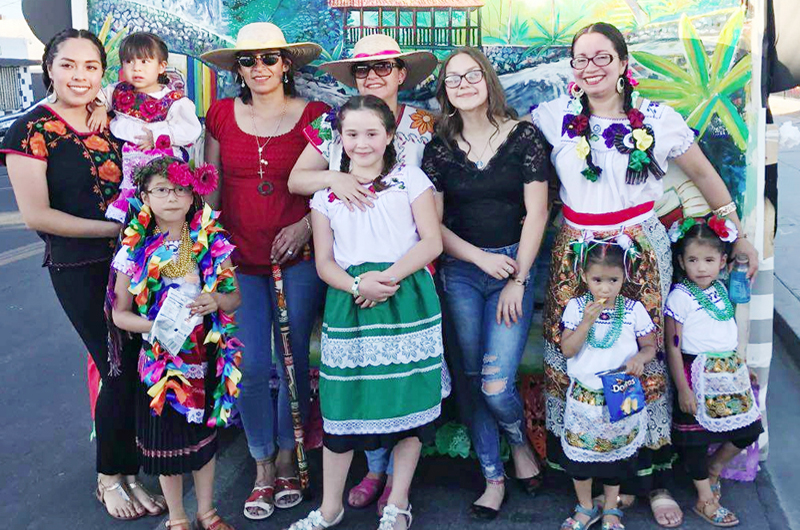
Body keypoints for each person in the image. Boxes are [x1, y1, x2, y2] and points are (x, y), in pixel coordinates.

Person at [531, 22, 759, 527]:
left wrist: (736, 233)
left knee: (642, 353)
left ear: (622, 62)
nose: (590, 68)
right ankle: (595, 471)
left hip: (638, 249)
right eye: (581, 59)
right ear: (572, 67)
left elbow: (703, 174)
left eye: (602, 58)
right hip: (576, 252)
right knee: (584, 351)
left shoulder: (657, 119)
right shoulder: (553, 117)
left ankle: (648, 478)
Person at [0, 28, 165, 520]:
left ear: (103, 72)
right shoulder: (29, 129)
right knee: (115, 362)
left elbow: (166, 94)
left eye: (91, 66)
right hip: (82, 265)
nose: (80, 76)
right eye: (68, 65)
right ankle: (109, 476)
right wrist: (114, 231)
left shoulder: (117, 118)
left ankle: (130, 469)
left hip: (137, 261)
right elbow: (37, 216)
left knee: (140, 360)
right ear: (49, 68)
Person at [288, 33, 438, 514]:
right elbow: (300, 182)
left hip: (407, 271)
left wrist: (390, 277)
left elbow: (432, 217)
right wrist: (336, 177)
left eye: (383, 67)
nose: (372, 75)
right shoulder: (332, 130)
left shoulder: (424, 125)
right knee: (353, 395)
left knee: (403, 391)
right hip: (351, 281)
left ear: (400, 73)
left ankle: (398, 494)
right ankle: (364, 479)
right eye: (362, 69)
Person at [201, 23, 328, 520]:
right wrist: (208, 251)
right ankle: (261, 468)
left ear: (286, 64)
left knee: (292, 360)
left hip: (295, 258)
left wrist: (306, 229)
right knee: (252, 366)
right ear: (238, 69)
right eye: (248, 61)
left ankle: (287, 459)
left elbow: (329, 181)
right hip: (239, 261)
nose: (259, 69)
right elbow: (210, 189)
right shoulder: (220, 116)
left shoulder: (316, 116)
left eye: (269, 59)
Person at [420, 47, 548, 520]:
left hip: (514, 269)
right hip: (461, 275)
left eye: (472, 74)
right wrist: (477, 258)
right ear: (445, 93)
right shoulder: (438, 148)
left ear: (488, 80)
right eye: (454, 79)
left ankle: (519, 443)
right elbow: (433, 228)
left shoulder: (524, 137)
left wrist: (517, 277)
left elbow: (537, 212)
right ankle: (494, 477)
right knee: (473, 383)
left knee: (497, 385)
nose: (464, 83)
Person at [110, 156, 242, 530]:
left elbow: (234, 298)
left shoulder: (211, 242)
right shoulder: (132, 250)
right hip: (161, 363)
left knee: (203, 439)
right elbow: (119, 313)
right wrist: (152, 326)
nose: (171, 198)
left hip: (207, 354)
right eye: (161, 190)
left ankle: (207, 511)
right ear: (145, 196)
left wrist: (216, 300)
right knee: (167, 444)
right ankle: (178, 517)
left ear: (193, 194)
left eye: (180, 189)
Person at [665, 219, 763, 527]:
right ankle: (704, 500)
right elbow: (672, 346)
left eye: (709, 260)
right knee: (693, 440)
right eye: (693, 260)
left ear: (722, 261)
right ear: (681, 261)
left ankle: (714, 468)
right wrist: (683, 388)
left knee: (749, 430)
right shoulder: (680, 296)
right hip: (694, 371)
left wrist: (741, 365)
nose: (701, 267)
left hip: (727, 371)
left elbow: (727, 329)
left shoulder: (723, 289)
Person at [558, 240, 656, 530]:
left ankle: (612, 507)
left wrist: (640, 357)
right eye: (597, 280)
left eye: (613, 280)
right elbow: (567, 350)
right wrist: (586, 323)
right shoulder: (576, 308)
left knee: (617, 457)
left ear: (624, 278)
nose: (605, 288)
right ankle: (586, 507)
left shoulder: (633, 310)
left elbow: (650, 346)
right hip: (585, 397)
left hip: (621, 390)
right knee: (581, 459)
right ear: (585, 277)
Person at [89, 31, 202, 223]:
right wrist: (99, 107)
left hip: (162, 162)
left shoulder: (174, 100)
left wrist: (158, 136)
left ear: (161, 67)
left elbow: (190, 129)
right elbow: (100, 97)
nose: (136, 69)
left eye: (144, 62)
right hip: (130, 161)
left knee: (161, 202)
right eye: (129, 62)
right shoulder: (118, 91)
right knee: (133, 199)